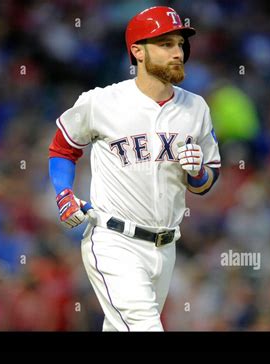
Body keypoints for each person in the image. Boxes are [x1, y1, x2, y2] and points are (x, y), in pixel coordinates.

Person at [48, 6, 221, 331]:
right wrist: (63, 192)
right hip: (114, 241)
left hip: (166, 248)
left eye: (179, 43)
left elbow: (207, 179)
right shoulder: (102, 102)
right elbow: (63, 146)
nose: (177, 52)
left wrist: (198, 173)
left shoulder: (195, 108)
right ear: (138, 51)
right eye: (165, 44)